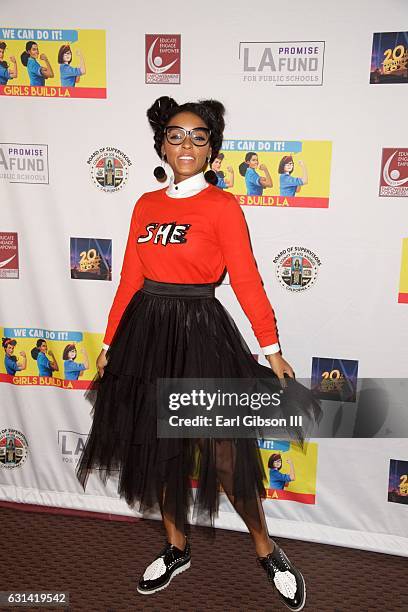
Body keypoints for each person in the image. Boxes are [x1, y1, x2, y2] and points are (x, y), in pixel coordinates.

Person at [76, 96, 320, 610]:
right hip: (145, 334)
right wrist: (109, 342)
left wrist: (270, 348)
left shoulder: (223, 206)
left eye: (198, 137)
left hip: (201, 334)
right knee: (159, 450)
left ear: (212, 150)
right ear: (162, 144)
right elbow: (129, 280)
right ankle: (176, 546)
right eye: (175, 135)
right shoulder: (145, 204)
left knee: (225, 455)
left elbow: (248, 278)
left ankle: (266, 548)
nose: (185, 144)